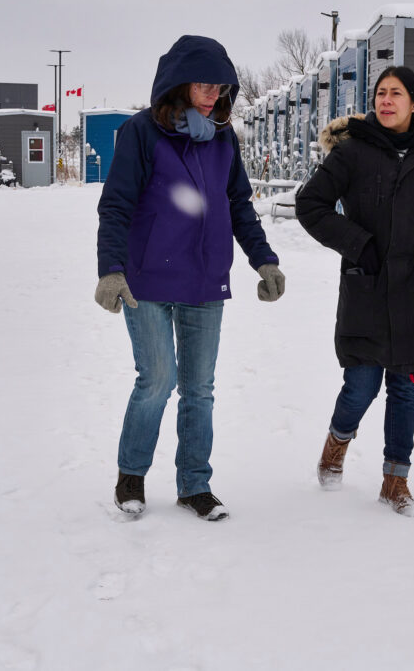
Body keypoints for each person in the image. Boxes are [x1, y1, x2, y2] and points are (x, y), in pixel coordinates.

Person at [95, 35, 286, 521]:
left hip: (204, 278)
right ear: (178, 84)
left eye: (220, 86)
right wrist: (111, 270)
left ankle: (194, 485)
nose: (212, 94)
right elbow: (116, 205)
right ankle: (131, 476)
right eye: (203, 83)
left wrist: (263, 259)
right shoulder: (140, 132)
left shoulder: (223, 137)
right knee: (158, 380)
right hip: (147, 279)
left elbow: (238, 203)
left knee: (199, 388)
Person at [295, 66, 414, 517]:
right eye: (379, 93)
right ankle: (336, 444)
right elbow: (310, 204)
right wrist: (358, 245)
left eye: (396, 94)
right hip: (365, 288)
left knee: (405, 389)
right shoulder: (353, 152)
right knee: (361, 384)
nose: (385, 101)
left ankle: (396, 481)